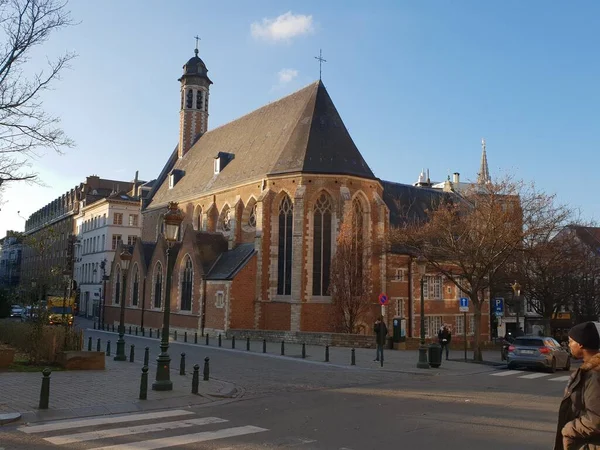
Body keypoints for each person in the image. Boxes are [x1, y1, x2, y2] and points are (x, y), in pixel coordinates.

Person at [554, 321, 600, 450]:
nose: (569, 345)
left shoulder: (594, 375)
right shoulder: (589, 371)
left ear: (580, 344)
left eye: (570, 341)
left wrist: (569, 429)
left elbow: (596, 419)